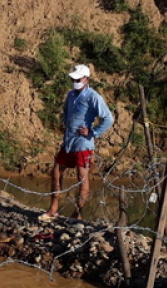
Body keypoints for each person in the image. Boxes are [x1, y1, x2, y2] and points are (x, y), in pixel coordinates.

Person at [44, 64, 114, 220]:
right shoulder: (71, 95)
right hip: (69, 141)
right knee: (56, 171)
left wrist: (93, 132)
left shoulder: (93, 97)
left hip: (83, 143)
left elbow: (108, 118)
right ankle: (53, 208)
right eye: (72, 78)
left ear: (86, 79)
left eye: (77, 78)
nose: (74, 81)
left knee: (82, 176)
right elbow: (66, 113)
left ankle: (77, 213)